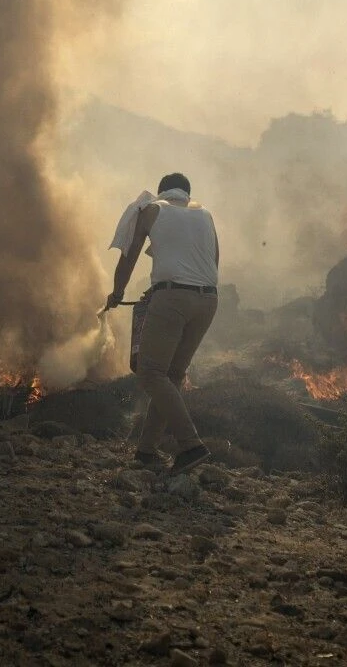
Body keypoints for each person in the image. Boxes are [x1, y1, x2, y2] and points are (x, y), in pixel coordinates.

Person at [107, 172, 220, 474]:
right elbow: (213, 263)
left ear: (162, 193)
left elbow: (129, 258)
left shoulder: (152, 210)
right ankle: (146, 451)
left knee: (150, 373)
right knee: (171, 375)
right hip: (208, 300)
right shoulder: (205, 215)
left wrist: (117, 294)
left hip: (173, 299)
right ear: (187, 194)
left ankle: (191, 444)